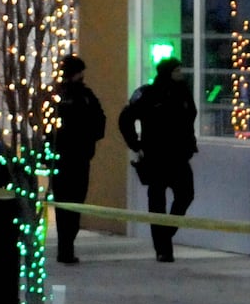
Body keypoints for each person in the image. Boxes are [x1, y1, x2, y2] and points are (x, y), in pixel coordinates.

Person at [117, 57, 198, 262]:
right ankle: (163, 249)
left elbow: (190, 118)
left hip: (179, 156)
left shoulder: (183, 92)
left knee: (186, 195)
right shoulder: (148, 94)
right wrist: (136, 145)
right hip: (156, 156)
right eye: (177, 70)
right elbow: (126, 118)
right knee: (157, 203)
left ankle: (165, 233)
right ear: (168, 72)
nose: (181, 73)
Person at [49, 54, 106, 264]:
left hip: (64, 157)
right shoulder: (82, 96)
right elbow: (99, 121)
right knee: (74, 202)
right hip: (75, 157)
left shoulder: (55, 94)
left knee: (66, 203)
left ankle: (66, 246)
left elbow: (37, 120)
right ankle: (66, 246)